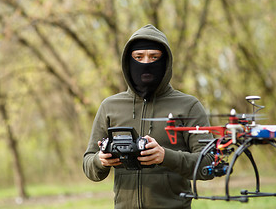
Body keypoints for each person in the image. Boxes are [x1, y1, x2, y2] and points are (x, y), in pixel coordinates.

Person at [83, 24, 214, 209]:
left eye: (154, 57)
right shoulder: (110, 106)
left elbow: (209, 163)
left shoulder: (189, 106)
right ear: (129, 62)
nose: (146, 63)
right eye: (138, 57)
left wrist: (165, 156)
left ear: (165, 62)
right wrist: (100, 160)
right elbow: (89, 165)